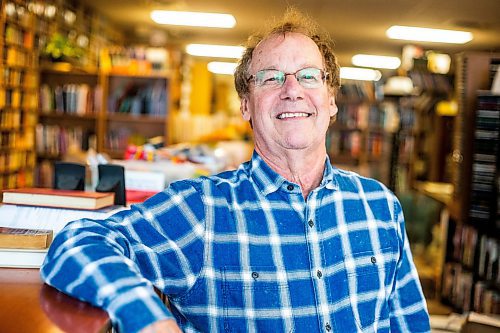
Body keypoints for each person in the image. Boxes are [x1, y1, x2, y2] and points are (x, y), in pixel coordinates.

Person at [41, 9, 431, 333]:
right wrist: (147, 318)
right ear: (246, 105)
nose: (292, 89)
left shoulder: (380, 206)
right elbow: (78, 242)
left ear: (331, 101)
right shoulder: (201, 210)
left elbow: (411, 324)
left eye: (309, 75)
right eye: (271, 77)